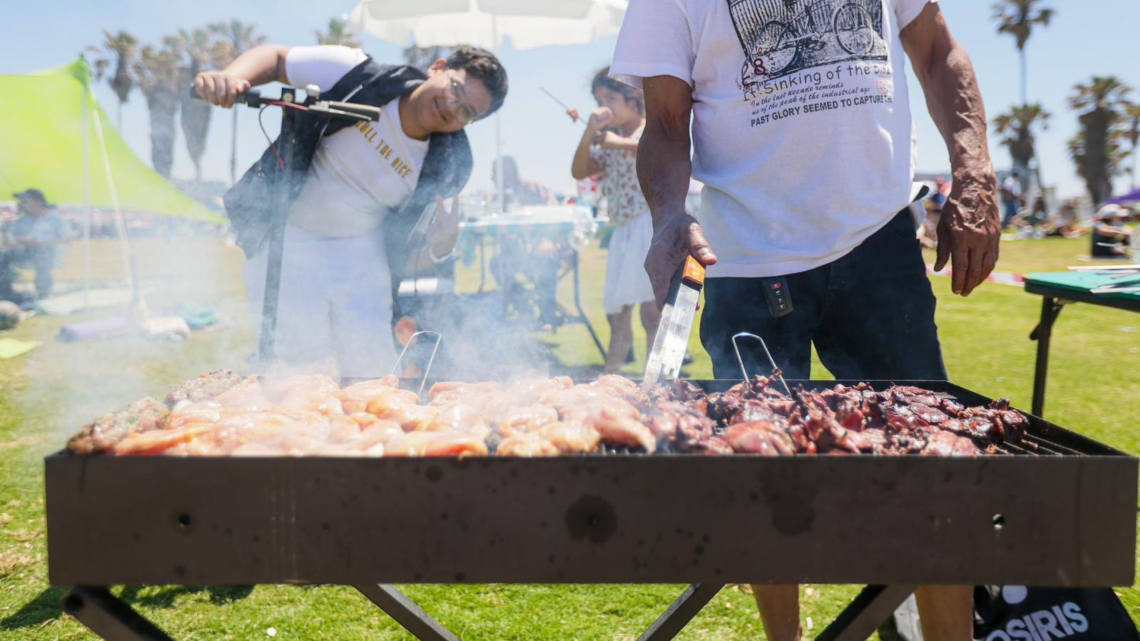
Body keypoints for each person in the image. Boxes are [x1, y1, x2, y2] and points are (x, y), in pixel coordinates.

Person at [611, 0, 1000, 638]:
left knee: (932, 471)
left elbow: (937, 52)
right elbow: (664, 123)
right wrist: (667, 215)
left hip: (877, 239)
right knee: (766, 473)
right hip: (744, 254)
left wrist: (975, 172)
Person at [195, 44, 507, 379]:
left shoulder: (449, 166)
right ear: (438, 67)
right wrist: (231, 78)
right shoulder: (356, 72)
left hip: (362, 256)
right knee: (296, 374)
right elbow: (277, 59)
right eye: (455, 88)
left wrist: (439, 249)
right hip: (289, 238)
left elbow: (408, 256)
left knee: (372, 375)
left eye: (467, 112)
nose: (452, 107)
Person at [568, 67, 661, 374]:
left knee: (651, 310)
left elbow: (658, 149)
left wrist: (613, 142)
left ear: (632, 98)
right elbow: (580, 170)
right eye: (598, 99)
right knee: (617, 313)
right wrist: (588, 133)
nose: (603, 106)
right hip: (622, 228)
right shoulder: (606, 139)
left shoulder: (648, 128)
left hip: (648, 225)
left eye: (610, 97)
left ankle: (655, 377)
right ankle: (612, 374)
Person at [6, 189, 71, 299]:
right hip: (25, 253)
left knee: (42, 251)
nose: (21, 204)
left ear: (38, 202)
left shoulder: (56, 219)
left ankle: (44, 293)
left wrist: (40, 242)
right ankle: (5, 290)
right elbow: (13, 239)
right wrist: (15, 242)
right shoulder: (22, 221)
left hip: (51, 254)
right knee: (2, 255)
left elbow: (66, 239)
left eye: (24, 201)